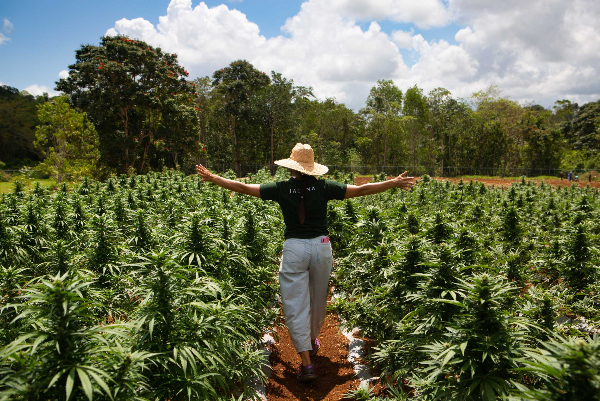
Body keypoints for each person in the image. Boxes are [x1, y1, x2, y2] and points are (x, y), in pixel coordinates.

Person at [196, 143, 415, 382]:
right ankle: (311, 339)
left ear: (291, 167)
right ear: (311, 167)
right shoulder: (324, 187)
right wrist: (392, 183)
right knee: (318, 298)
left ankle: (306, 362)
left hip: (295, 249)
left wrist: (214, 178)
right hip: (321, 247)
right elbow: (361, 190)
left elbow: (243, 187)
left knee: (294, 303)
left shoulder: (281, 188)